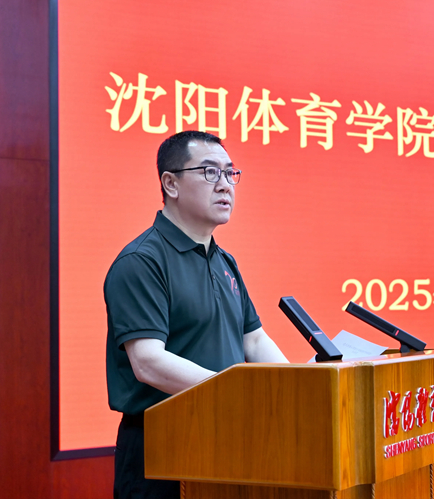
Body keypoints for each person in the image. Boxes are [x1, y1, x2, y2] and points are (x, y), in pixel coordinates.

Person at [104, 130, 288, 499]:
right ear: (170, 183)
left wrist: (295, 389)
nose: (225, 185)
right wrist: (234, 394)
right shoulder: (141, 261)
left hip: (227, 440)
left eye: (230, 173)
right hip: (162, 449)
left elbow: (253, 340)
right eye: (209, 172)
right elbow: (148, 362)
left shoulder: (224, 262)